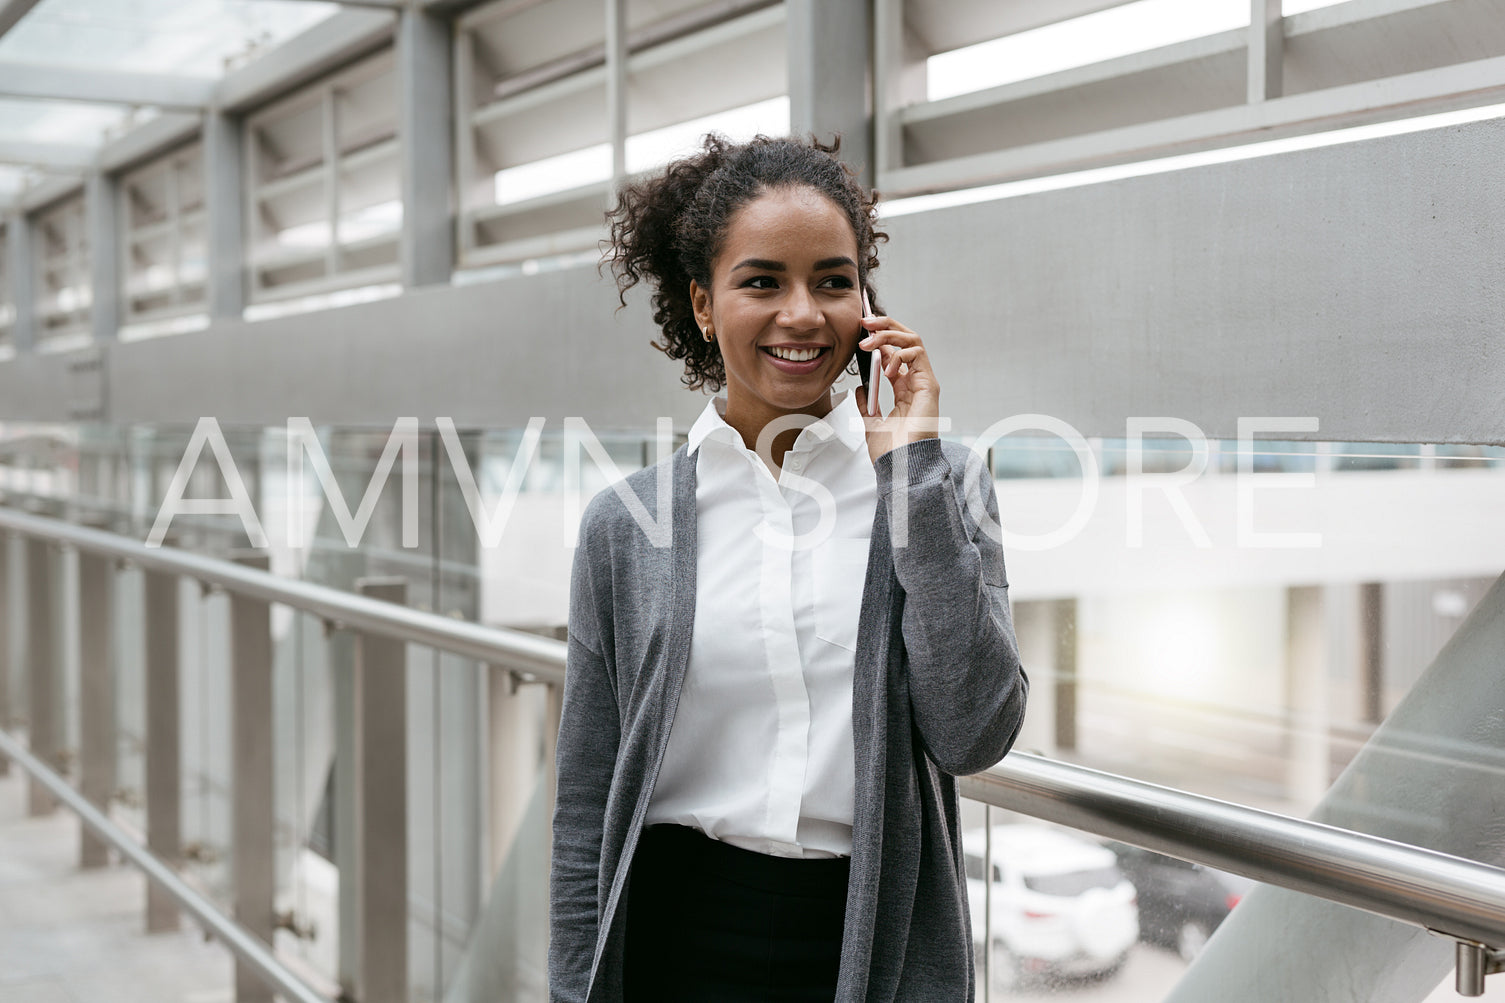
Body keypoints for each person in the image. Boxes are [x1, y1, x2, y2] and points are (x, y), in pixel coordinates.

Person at [549, 133, 1028, 1002]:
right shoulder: (626, 525)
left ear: (867, 304)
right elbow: (585, 803)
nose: (803, 314)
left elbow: (973, 732)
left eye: (833, 281)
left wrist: (908, 469)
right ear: (702, 303)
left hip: (863, 937)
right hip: (672, 934)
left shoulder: (942, 482)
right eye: (762, 280)